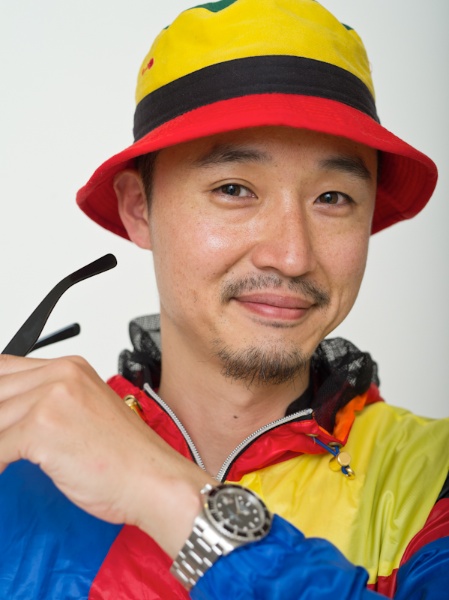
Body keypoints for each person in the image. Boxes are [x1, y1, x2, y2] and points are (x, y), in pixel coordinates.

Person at [0, 0, 448, 598]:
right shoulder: (20, 455)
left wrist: (162, 491)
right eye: (234, 189)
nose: (292, 256)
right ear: (139, 208)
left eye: (333, 198)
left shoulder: (433, 477)